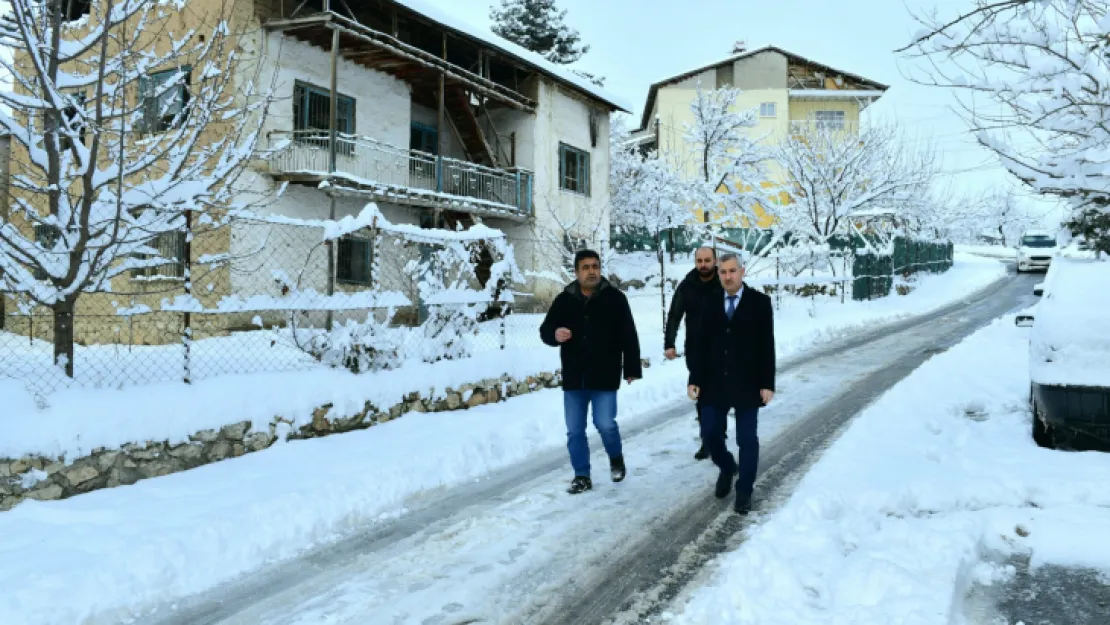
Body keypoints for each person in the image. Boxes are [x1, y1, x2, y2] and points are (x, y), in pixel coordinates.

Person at [540, 249, 643, 495]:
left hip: (604, 374)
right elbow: (546, 329)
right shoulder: (565, 300)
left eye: (595, 266)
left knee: (605, 423)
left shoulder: (615, 298)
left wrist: (631, 367)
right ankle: (582, 475)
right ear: (576, 272)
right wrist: (555, 335)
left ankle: (616, 458)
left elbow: (628, 334)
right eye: (585, 267)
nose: (591, 271)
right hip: (575, 376)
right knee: (575, 430)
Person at [686, 253, 776, 514]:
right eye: (723, 272)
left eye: (732, 271)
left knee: (747, 438)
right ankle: (727, 467)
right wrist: (695, 378)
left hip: (748, 382)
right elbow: (700, 345)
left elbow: (766, 346)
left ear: (742, 271)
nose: (727, 276)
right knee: (710, 433)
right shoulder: (709, 302)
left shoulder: (759, 303)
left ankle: (745, 490)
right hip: (714, 383)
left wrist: (767, 383)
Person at [663, 246, 725, 461]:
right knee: (702, 395)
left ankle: (718, 434)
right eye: (700, 260)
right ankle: (707, 439)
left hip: (723, 349)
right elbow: (674, 314)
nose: (703, 264)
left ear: (715, 261)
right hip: (696, 350)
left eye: (708, 260)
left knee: (721, 393)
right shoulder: (687, 286)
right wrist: (669, 342)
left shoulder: (724, 283)